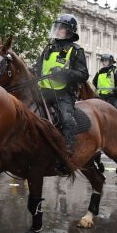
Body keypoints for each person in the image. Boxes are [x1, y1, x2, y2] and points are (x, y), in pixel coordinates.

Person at [34, 14, 89, 151]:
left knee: (66, 118)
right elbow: (38, 68)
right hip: (43, 92)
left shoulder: (75, 51)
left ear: (70, 31)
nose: (57, 30)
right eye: (57, 27)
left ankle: (69, 148)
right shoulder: (48, 48)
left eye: (62, 28)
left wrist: (63, 73)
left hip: (63, 94)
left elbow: (83, 74)